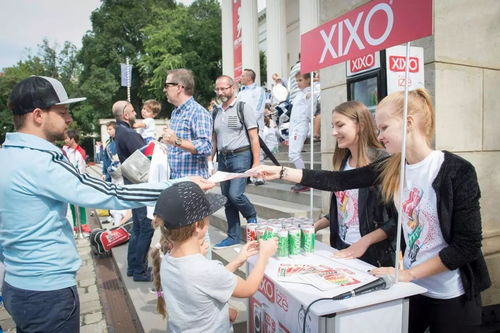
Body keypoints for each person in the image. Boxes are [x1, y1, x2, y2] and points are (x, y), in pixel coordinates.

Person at [251, 89, 491, 333]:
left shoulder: (457, 171)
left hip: (451, 295)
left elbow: (467, 245)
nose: (379, 136)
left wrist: (407, 274)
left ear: (408, 123)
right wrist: (282, 172)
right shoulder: (391, 166)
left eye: (384, 128)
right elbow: (339, 181)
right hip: (410, 288)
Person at [0, 76, 212, 332]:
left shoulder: (7, 155)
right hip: (48, 291)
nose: (68, 119)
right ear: (37, 115)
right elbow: (110, 193)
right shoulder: (41, 162)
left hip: (17, 285)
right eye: (62, 112)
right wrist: (179, 185)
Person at [150, 181, 277, 332]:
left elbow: (206, 283)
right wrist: (264, 255)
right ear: (198, 225)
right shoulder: (205, 270)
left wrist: (238, 260)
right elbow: (248, 288)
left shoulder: (167, 259)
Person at [313, 101, 396, 267]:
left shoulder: (383, 161)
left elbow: (396, 219)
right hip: (342, 247)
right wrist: (316, 225)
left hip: (374, 256)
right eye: (332, 126)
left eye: (340, 125)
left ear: (360, 125)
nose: (334, 132)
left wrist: (365, 242)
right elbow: (346, 207)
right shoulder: (343, 161)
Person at [161, 68, 214, 256]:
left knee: (199, 235)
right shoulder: (176, 113)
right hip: (177, 183)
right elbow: (179, 144)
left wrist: (176, 141)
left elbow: (206, 147)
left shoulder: (197, 112)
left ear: (180, 87)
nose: (164, 89)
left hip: (193, 185)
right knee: (181, 235)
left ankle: (204, 278)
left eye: (167, 85)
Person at [210, 75, 260, 248]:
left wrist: (256, 163)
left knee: (235, 194)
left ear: (233, 88)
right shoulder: (216, 111)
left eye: (224, 88)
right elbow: (214, 139)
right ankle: (233, 236)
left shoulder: (242, 108)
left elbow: (254, 137)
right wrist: (210, 160)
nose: (220, 92)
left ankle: (251, 214)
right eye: (217, 89)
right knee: (227, 198)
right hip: (223, 159)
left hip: (241, 156)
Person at [112, 100, 156, 281]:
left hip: (132, 185)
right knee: (145, 227)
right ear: (125, 115)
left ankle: (133, 266)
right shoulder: (128, 133)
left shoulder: (121, 131)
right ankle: (139, 270)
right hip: (139, 186)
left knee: (137, 228)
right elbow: (145, 156)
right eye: (132, 110)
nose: (136, 112)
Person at [288, 72, 316, 193]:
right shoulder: (299, 94)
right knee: (292, 154)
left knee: (294, 154)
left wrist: (310, 100)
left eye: (300, 80)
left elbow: (310, 113)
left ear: (308, 80)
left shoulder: (311, 94)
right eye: (297, 81)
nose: (298, 83)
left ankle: (305, 180)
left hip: (301, 126)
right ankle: (302, 179)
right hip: (294, 126)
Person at [101, 121, 131, 226]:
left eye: (110, 129)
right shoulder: (108, 144)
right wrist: (104, 172)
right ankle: (116, 220)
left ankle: (125, 219)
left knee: (123, 194)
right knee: (115, 195)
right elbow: (105, 159)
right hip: (113, 172)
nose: (108, 132)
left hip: (123, 172)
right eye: (107, 130)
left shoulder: (120, 141)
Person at [63, 129, 90, 233]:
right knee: (71, 204)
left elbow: (81, 168)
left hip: (78, 180)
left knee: (81, 202)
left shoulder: (80, 151)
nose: (65, 141)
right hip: (67, 180)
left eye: (67, 138)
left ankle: (83, 223)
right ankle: (75, 224)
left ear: (72, 139)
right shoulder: (65, 150)